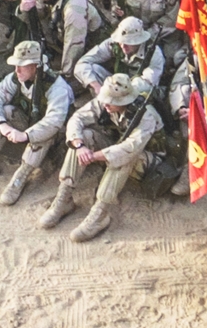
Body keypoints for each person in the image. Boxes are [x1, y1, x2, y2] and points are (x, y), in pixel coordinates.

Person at [42, 73, 164, 241]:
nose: (105, 104)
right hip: (114, 146)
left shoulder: (145, 116)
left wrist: (94, 156)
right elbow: (76, 118)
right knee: (84, 135)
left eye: (111, 102)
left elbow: (131, 148)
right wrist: (79, 146)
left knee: (125, 157)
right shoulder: (105, 103)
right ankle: (64, 198)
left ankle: (100, 214)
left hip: (149, 162)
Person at [0, 40, 73, 203]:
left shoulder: (57, 87)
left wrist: (25, 136)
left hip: (54, 136)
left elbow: (53, 122)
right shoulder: (16, 78)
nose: (17, 70)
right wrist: (3, 125)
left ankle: (20, 178)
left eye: (21, 65)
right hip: (28, 123)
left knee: (44, 133)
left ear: (35, 66)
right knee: (6, 111)